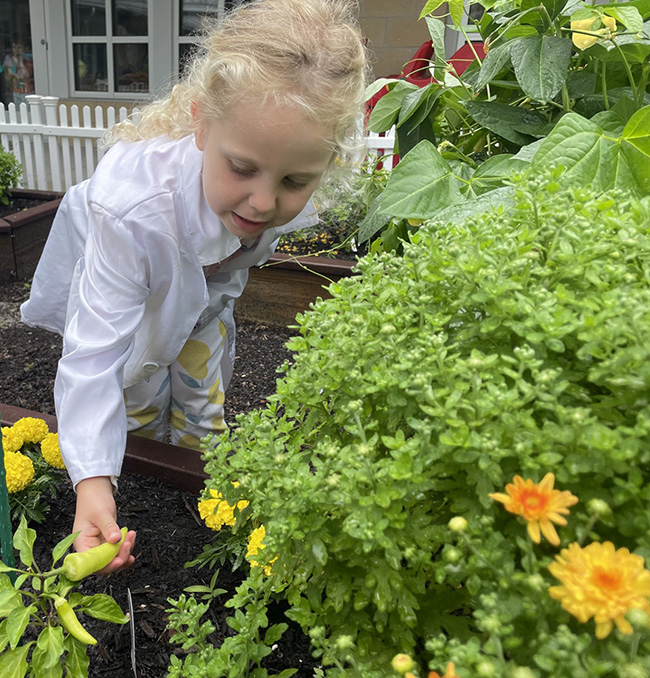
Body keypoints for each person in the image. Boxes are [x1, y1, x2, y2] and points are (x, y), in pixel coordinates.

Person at [21, 0, 368, 573]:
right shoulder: (131, 209)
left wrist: (200, 315)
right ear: (202, 124)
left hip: (204, 301)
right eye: (243, 169)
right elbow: (94, 354)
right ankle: (133, 466)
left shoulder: (270, 186)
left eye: (294, 181)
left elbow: (227, 270)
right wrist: (91, 482)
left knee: (202, 391)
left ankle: (196, 476)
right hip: (126, 282)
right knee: (132, 384)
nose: (263, 201)